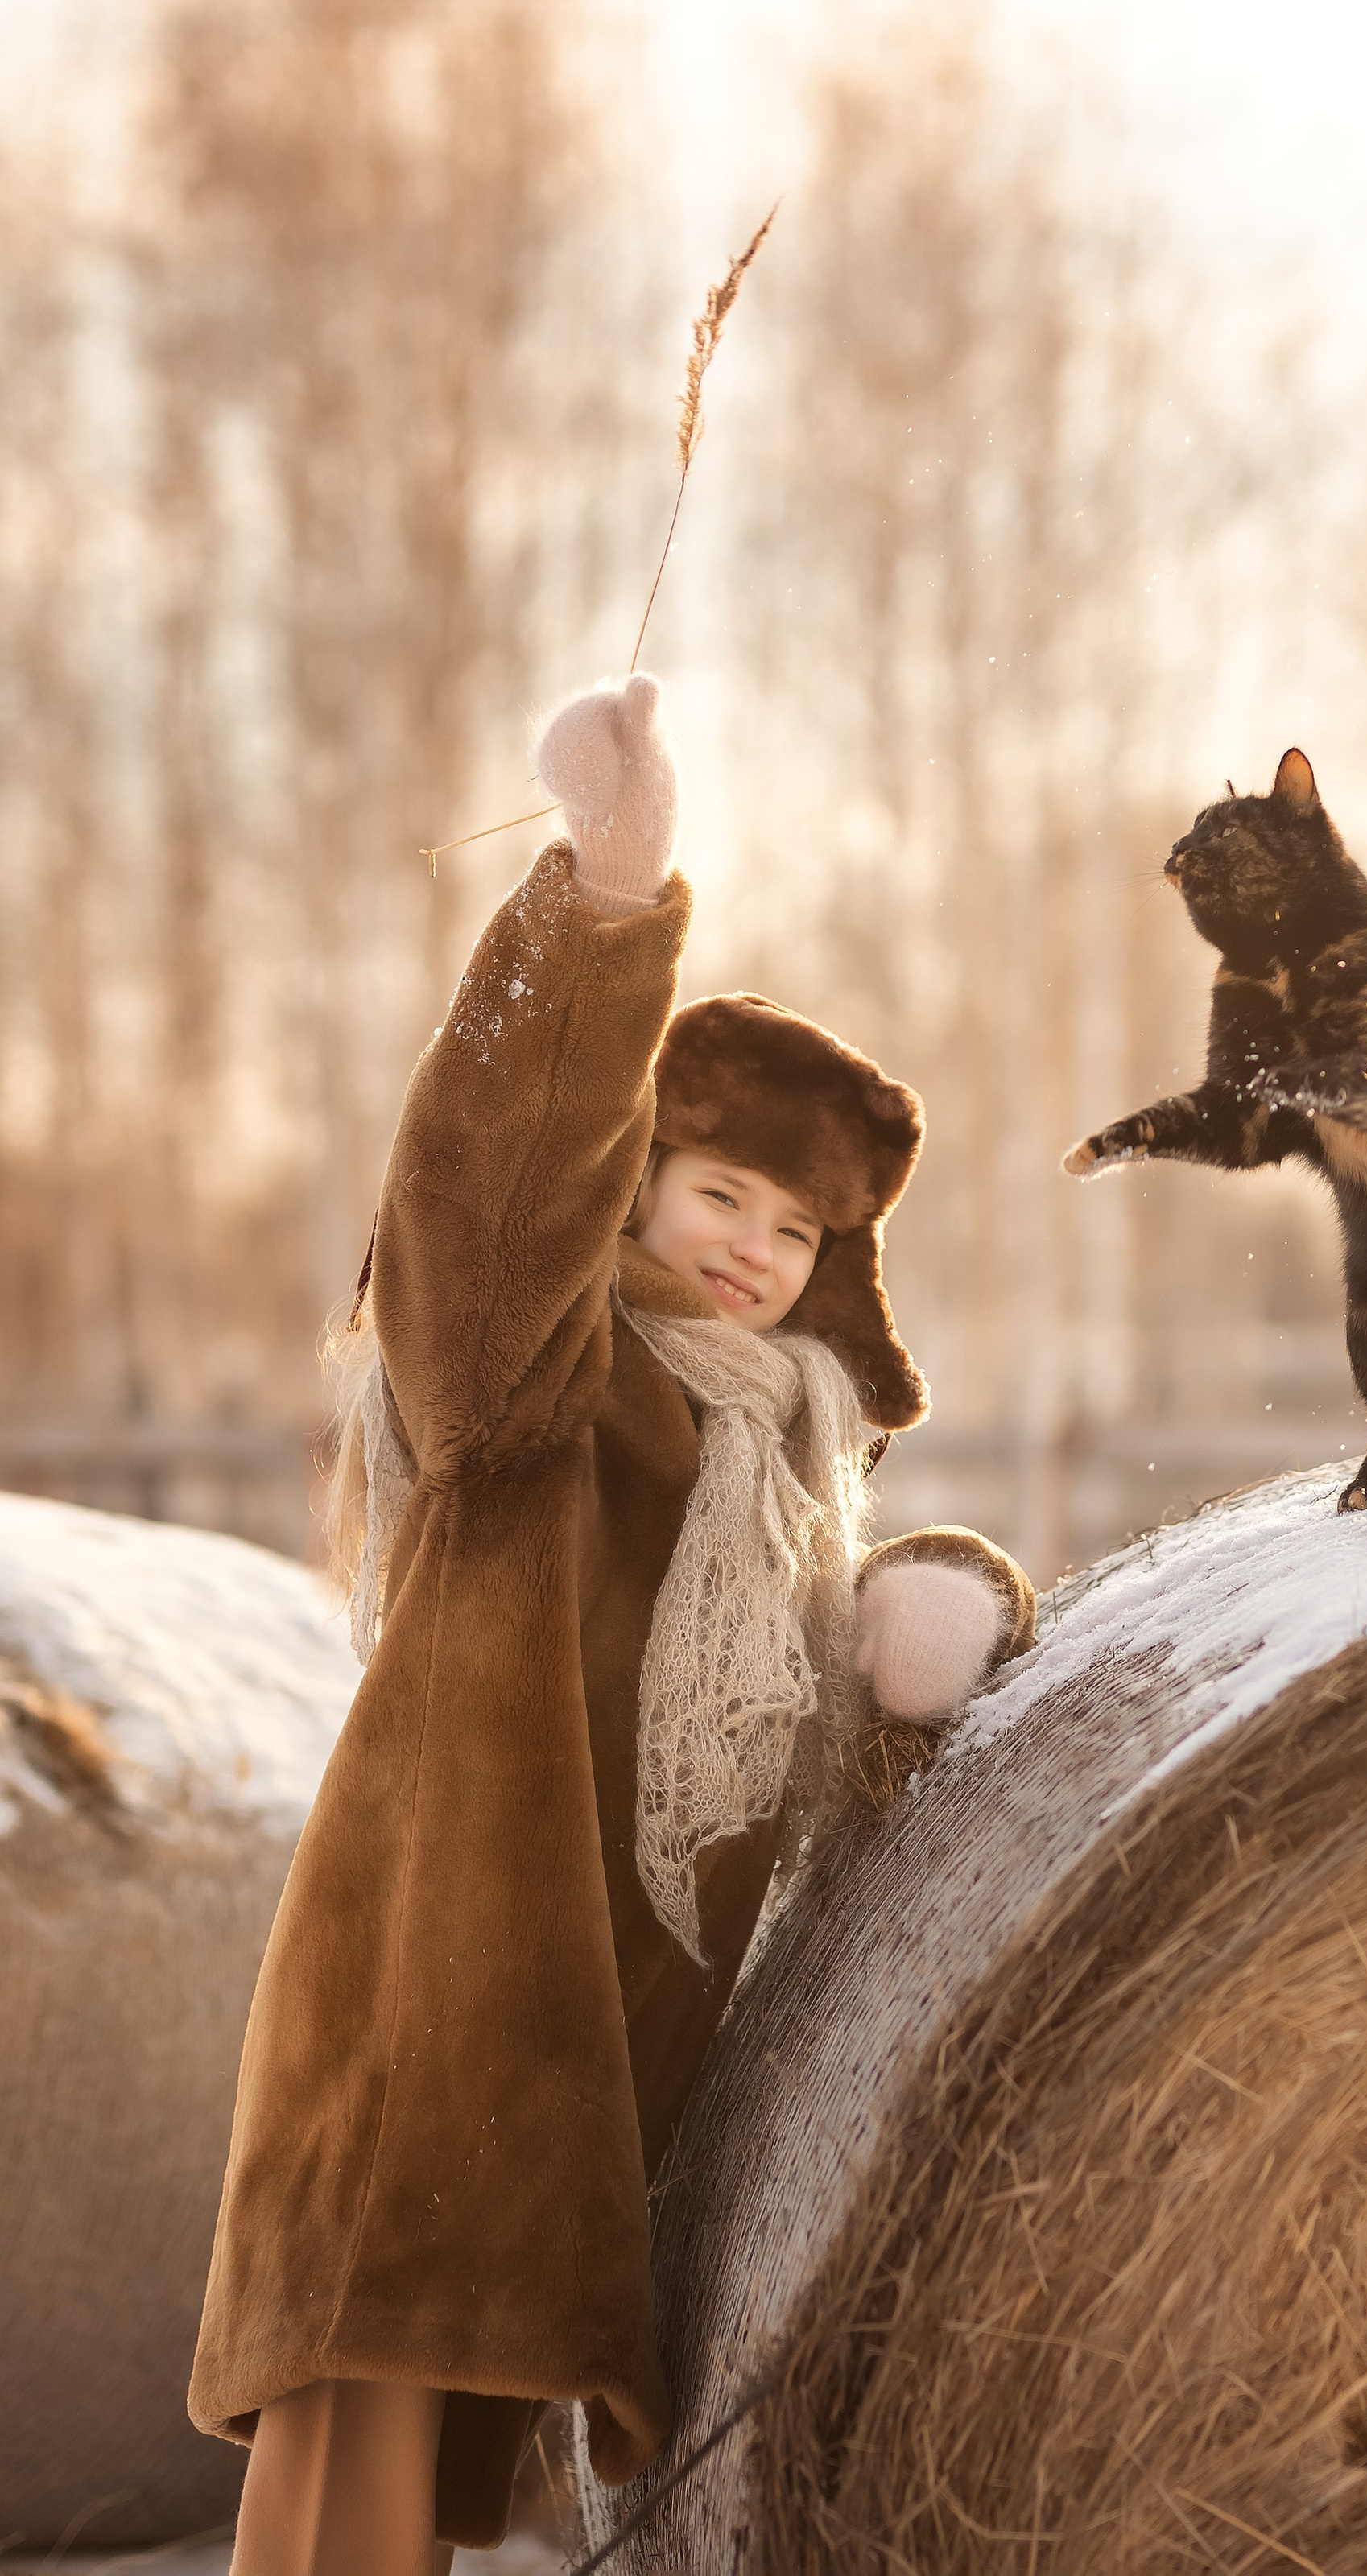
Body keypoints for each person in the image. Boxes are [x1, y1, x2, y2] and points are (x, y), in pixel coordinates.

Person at [189, 674, 1035, 2574]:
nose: (750, 1248)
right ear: (638, 1181)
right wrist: (606, 897)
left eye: (794, 1233)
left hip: (588, 2076)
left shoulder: (786, 1462)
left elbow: (824, 1701)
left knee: (445, 2465)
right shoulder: (534, 1387)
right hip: (441, 1999)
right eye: (717, 1191)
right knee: (361, 2452)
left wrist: (946, 1595)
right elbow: (489, 1188)